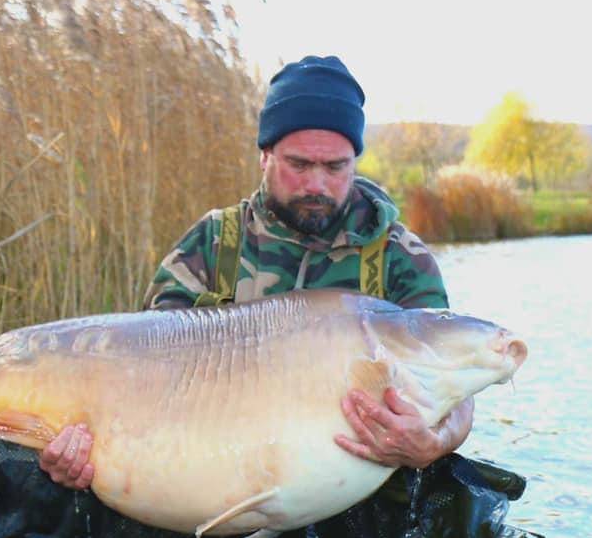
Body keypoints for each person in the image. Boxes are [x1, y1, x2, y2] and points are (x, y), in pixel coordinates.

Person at [38, 55, 474, 499]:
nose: (317, 186)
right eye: (299, 165)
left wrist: (432, 442)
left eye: (335, 167)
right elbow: (140, 371)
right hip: (215, 481)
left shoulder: (399, 257)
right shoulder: (212, 243)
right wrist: (82, 445)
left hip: (357, 495)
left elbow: (457, 390)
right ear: (265, 155)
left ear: (354, 162)